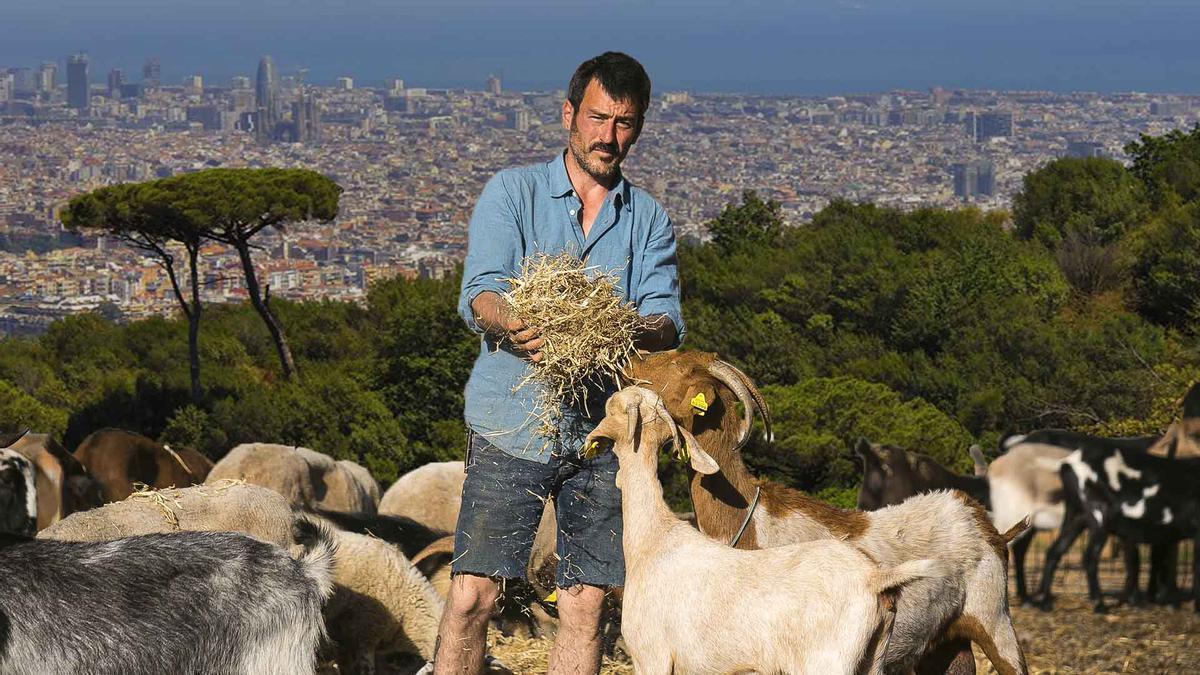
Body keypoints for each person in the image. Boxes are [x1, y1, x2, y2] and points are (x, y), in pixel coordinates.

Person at [433, 52, 684, 674]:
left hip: (602, 436)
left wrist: (615, 327)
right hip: (512, 423)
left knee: (586, 604)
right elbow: (481, 293)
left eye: (624, 123)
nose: (608, 136)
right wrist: (510, 325)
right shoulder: (513, 193)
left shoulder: (647, 219)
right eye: (598, 118)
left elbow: (666, 319)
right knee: (472, 595)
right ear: (569, 114)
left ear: (640, 126)